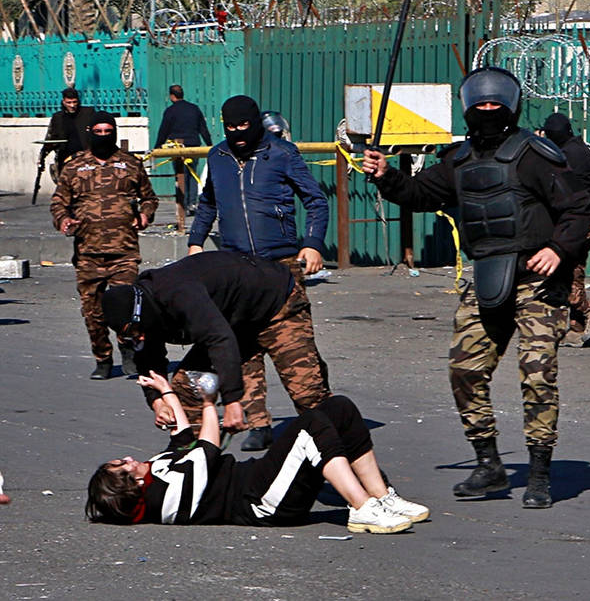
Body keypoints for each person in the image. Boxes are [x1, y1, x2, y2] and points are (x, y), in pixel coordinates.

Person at [360, 66, 590, 509]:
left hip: (537, 282)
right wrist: (385, 175)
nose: (488, 111)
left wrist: (559, 251)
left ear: (510, 107)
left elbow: (579, 208)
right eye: (480, 104)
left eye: (496, 104)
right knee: (464, 371)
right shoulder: (459, 160)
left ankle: (540, 472)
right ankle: (488, 463)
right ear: (469, 108)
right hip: (486, 276)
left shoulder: (534, 155)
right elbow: (418, 194)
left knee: (537, 374)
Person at [86, 369, 427, 533]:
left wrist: (166, 392)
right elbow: (206, 448)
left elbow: (182, 439)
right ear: (131, 486)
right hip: (264, 502)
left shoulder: (157, 471)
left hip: (260, 478)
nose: (130, 460)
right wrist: (208, 403)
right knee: (311, 427)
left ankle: (382, 497)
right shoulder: (166, 500)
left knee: (339, 408)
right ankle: (362, 507)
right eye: (124, 468)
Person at [187, 95, 329, 452]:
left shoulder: (281, 153)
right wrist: (195, 243)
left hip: (279, 266)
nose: (237, 134)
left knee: (295, 350)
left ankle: (321, 423)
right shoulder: (217, 157)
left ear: (255, 123)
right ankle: (258, 423)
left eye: (243, 126)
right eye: (230, 127)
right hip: (237, 269)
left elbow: (316, 200)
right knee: (244, 348)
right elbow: (208, 204)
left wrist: (311, 243)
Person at [100, 251, 332, 441]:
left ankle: (345, 457)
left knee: (306, 392)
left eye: (134, 331)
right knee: (187, 389)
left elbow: (219, 340)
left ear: (141, 313)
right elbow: (148, 359)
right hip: (233, 320)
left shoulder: (179, 294)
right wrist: (157, 400)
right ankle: (192, 465)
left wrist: (232, 400)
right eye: (128, 336)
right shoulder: (143, 318)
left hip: (277, 304)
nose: (136, 338)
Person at [50, 111, 158, 380]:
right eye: (97, 132)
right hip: (88, 253)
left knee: (128, 308)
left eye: (107, 131)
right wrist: (63, 220)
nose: (102, 136)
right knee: (93, 312)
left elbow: (149, 198)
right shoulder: (75, 166)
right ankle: (103, 358)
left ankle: (129, 351)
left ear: (115, 132)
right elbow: (58, 202)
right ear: (89, 133)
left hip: (124, 251)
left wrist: (145, 215)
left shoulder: (130, 164)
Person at [539, 112, 590, 347]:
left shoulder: (568, 155)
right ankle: (576, 327)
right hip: (584, 220)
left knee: (564, 273)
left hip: (579, 222)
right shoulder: (576, 149)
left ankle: (589, 310)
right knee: (573, 270)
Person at [154, 85, 212, 211]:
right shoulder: (194, 109)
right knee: (192, 174)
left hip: (178, 147)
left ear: (171, 96)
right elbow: (203, 128)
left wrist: (157, 147)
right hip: (194, 147)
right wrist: (209, 145)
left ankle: (183, 204)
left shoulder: (170, 111)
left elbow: (163, 131)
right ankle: (192, 203)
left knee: (181, 174)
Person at [43, 88, 96, 176]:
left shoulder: (88, 113)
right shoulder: (58, 118)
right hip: (65, 159)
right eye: (69, 102)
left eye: (74, 102)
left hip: (85, 158)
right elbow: (50, 139)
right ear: (63, 102)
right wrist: (42, 157)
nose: (72, 105)